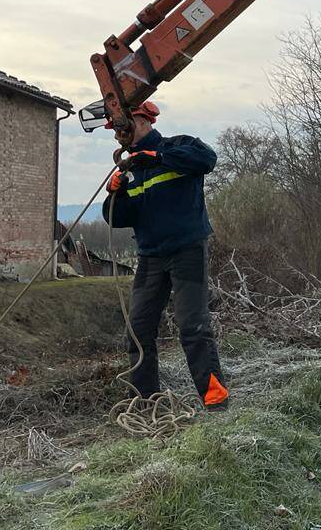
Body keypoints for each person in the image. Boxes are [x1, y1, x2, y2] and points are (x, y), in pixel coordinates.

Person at [102, 102, 228, 410]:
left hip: (187, 250)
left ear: (143, 121)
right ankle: (146, 405)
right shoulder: (129, 169)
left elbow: (207, 159)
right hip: (151, 257)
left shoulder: (178, 147)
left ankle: (215, 402)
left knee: (192, 327)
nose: (120, 133)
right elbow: (117, 218)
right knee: (138, 330)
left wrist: (157, 157)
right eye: (116, 129)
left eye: (124, 125)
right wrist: (114, 193)